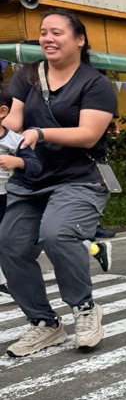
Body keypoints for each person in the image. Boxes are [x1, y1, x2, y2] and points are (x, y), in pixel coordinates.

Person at [0, 8, 117, 356]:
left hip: (79, 179)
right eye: (43, 32)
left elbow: (88, 134)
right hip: (30, 178)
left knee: (57, 233)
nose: (47, 39)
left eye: (56, 32)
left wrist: (41, 132)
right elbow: (15, 121)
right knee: (10, 244)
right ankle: (44, 323)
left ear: (79, 39)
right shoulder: (27, 75)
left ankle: (85, 308)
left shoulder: (96, 84)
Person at [0, 86, 43, 295]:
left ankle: (91, 248)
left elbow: (35, 167)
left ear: (2, 111)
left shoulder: (15, 141)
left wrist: (17, 161)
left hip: (7, 198)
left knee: (9, 240)